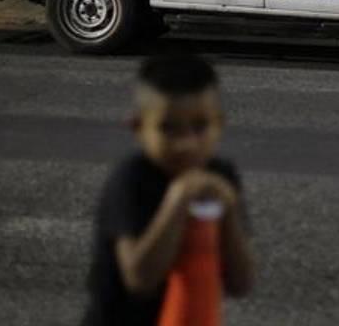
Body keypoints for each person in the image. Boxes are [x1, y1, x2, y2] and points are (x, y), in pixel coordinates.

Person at [83, 55, 254, 326]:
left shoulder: (221, 176)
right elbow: (139, 279)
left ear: (219, 124)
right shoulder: (131, 179)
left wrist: (230, 208)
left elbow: (240, 283)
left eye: (200, 126)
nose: (186, 143)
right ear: (139, 127)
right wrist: (177, 199)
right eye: (168, 128)